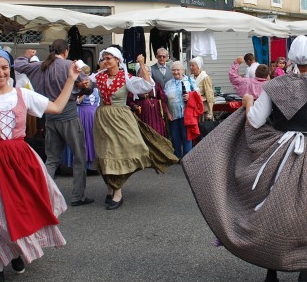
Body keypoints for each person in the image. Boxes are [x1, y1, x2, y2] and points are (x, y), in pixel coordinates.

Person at [183, 36, 307, 282]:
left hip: (281, 151)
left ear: (291, 59)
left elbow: (254, 121)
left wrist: (247, 104)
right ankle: (305, 271)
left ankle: (271, 272)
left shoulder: (274, 86)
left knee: (274, 208)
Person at [0, 45, 78, 282]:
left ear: (10, 69)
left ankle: (16, 250)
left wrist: (71, 80)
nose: (0, 73)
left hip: (20, 157)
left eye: (4, 67)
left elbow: (55, 107)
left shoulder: (22, 94)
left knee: (22, 207)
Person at [92, 48, 178, 210]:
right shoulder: (99, 76)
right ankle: (110, 188)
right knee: (104, 152)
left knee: (119, 152)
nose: (105, 61)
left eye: (108, 58)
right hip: (102, 118)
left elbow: (147, 85)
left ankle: (117, 191)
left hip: (120, 119)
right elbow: (82, 80)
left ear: (118, 60)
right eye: (103, 59)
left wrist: (141, 64)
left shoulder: (126, 77)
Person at [14, 39, 94, 207]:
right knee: (79, 157)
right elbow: (89, 87)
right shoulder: (68, 66)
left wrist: (26, 55)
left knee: (52, 159)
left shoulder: (39, 66)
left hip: (50, 116)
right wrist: (83, 86)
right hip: (69, 115)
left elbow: (18, 65)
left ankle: (43, 195)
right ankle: (77, 196)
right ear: (66, 51)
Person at [163, 62, 196, 159]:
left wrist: (190, 96)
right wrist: (168, 113)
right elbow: (165, 100)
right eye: (174, 70)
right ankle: (177, 156)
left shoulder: (190, 81)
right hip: (173, 115)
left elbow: (198, 96)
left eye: (178, 70)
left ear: (183, 70)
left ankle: (187, 158)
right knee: (175, 137)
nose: (176, 72)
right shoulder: (168, 84)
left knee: (187, 137)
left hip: (187, 114)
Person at [188, 57, 215, 123]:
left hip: (202, 109)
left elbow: (209, 95)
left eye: (193, 66)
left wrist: (210, 112)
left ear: (198, 66)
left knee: (203, 128)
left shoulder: (204, 77)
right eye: (190, 65)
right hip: (193, 108)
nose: (191, 67)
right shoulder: (190, 77)